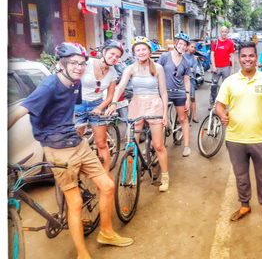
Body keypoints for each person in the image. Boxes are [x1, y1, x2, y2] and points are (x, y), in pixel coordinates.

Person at [8, 42, 133, 259]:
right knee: (74, 202)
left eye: (82, 63)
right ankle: (82, 254)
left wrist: (77, 134)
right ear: (61, 64)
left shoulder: (75, 84)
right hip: (58, 149)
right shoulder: (49, 86)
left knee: (107, 185)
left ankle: (106, 232)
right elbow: (19, 111)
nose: (79, 67)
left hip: (77, 144)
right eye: (74, 63)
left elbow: (72, 112)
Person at [215, 41, 262, 229]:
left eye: (251, 55)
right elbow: (219, 105)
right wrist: (222, 115)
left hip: (260, 138)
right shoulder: (229, 82)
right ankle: (245, 206)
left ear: (256, 58)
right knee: (241, 176)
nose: (247, 59)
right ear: (239, 59)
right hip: (235, 139)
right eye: (244, 56)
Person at [106, 36, 169, 191]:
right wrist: (113, 103)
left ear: (149, 51)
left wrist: (165, 113)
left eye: (144, 49)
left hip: (155, 105)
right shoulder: (131, 68)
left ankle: (165, 176)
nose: (141, 52)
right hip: (136, 105)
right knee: (131, 144)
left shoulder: (158, 68)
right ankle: (132, 170)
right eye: (138, 50)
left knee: (159, 145)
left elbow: (163, 92)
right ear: (134, 52)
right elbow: (120, 87)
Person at [74, 39, 123, 174]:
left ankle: (105, 175)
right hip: (78, 104)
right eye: (112, 54)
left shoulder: (113, 72)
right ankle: (77, 175)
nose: (114, 58)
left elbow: (110, 96)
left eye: (117, 56)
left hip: (97, 104)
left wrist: (100, 107)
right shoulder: (87, 64)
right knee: (76, 143)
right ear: (104, 51)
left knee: (101, 143)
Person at [158, 33, 192, 157]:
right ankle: (155, 145)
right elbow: (157, 72)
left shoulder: (186, 62)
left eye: (185, 45)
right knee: (160, 119)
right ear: (176, 43)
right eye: (181, 44)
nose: (182, 46)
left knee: (183, 119)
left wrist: (188, 98)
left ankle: (186, 146)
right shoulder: (165, 56)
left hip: (180, 93)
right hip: (164, 92)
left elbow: (187, 80)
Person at [209, 26, 235, 110]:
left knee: (225, 86)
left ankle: (223, 103)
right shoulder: (215, 42)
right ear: (220, 32)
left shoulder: (230, 42)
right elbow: (212, 54)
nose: (224, 33)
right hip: (216, 67)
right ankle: (212, 102)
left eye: (225, 32)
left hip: (226, 67)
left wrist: (233, 69)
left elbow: (232, 55)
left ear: (227, 33)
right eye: (222, 31)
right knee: (214, 86)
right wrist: (213, 66)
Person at [184, 41, 199, 123]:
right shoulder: (182, 56)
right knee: (183, 99)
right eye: (191, 46)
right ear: (187, 46)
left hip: (191, 79)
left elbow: (194, 70)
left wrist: (187, 69)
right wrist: (189, 69)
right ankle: (183, 116)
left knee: (192, 98)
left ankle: (194, 117)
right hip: (182, 80)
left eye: (194, 47)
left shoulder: (194, 58)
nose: (193, 49)